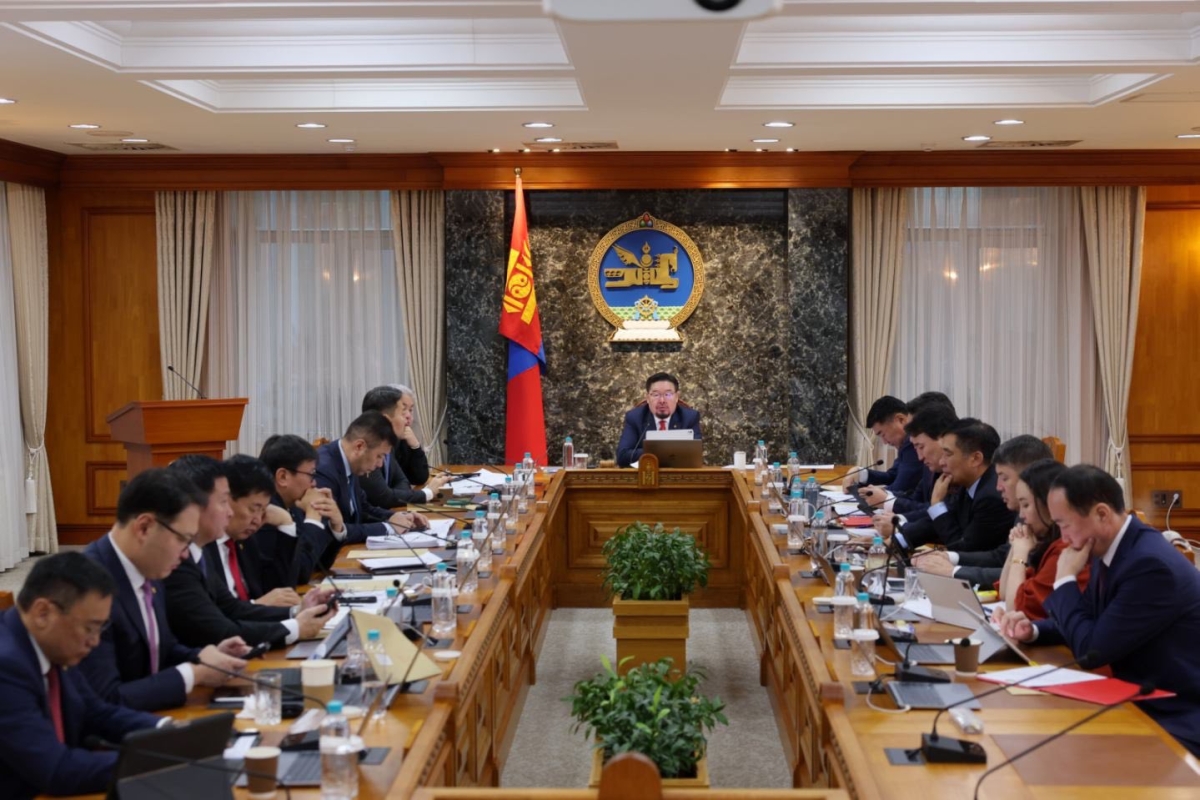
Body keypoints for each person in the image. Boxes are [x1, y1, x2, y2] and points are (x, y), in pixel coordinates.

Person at [998, 465, 1200, 757]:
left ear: (1102, 514)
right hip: (1139, 699)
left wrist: (1064, 580)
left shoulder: (1150, 565)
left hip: (1175, 713)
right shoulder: (1114, 547)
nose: (1063, 538)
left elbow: (1091, 651)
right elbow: (1094, 618)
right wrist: (1035, 630)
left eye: (1065, 525)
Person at [78, 469, 249, 712]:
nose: (186, 554)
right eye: (183, 540)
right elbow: (106, 699)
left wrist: (203, 656)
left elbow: (161, 650)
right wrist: (193, 674)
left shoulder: (151, 567)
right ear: (144, 527)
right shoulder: (87, 587)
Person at [0, 552, 163, 799]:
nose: (95, 641)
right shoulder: (6, 667)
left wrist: (167, 731)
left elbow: (96, 712)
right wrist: (153, 761)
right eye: (89, 628)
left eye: (100, 629)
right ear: (43, 613)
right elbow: (56, 770)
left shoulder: (52, 645)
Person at [163, 455, 333, 649]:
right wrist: (295, 628)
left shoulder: (200, 551)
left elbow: (232, 608)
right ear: (194, 507)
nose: (228, 512)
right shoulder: (179, 559)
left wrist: (297, 611)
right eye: (222, 502)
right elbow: (218, 630)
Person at [913, 434, 1054, 582]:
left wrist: (952, 571)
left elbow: (1028, 577)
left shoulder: (1053, 526)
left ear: (1029, 478)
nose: (998, 487)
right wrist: (949, 557)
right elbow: (1002, 556)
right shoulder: (1023, 514)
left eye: (1004, 478)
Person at [892, 417, 1015, 557]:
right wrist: (896, 541)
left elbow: (964, 550)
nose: (941, 462)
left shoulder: (992, 496)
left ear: (975, 459)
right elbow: (934, 523)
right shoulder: (966, 484)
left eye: (948, 454)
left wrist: (937, 504)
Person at [991, 458, 1089, 621]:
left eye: (1026, 505)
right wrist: (1016, 546)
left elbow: (1014, 607)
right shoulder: (1046, 542)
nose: (1021, 515)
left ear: (1049, 505)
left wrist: (1020, 554)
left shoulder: (1064, 548)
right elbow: (1004, 593)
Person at [315, 411, 429, 544]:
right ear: (359, 446)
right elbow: (331, 531)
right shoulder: (323, 471)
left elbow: (363, 508)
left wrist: (398, 517)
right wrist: (388, 528)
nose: (380, 464)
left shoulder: (350, 461)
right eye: (379, 456)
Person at [253, 434, 343, 588]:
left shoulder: (293, 505)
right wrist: (313, 520)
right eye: (311, 474)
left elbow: (320, 562)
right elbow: (301, 571)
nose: (314, 483)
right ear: (283, 477)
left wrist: (336, 526)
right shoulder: (266, 513)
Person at [867, 403, 958, 539]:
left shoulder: (962, 476)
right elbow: (917, 500)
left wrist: (899, 525)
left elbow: (951, 531)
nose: (920, 457)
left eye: (921, 446)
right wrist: (898, 527)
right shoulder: (931, 464)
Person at [359, 385, 451, 508]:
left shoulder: (388, 443)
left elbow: (403, 481)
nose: (408, 417)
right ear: (385, 419)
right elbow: (383, 497)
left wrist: (416, 446)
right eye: (403, 412)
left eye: (410, 410)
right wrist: (427, 493)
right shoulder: (364, 448)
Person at [616, 372, 702, 468]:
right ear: (647, 398)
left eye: (668, 394)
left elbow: (695, 455)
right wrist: (662, 451)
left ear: (677, 397)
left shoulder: (689, 417)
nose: (662, 401)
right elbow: (622, 456)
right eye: (656, 395)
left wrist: (653, 451)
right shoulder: (635, 417)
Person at [844, 395, 921, 495]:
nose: (885, 442)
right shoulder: (905, 445)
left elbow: (899, 488)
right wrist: (860, 473)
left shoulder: (912, 444)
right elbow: (892, 476)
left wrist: (871, 493)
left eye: (883, 434)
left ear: (901, 420)